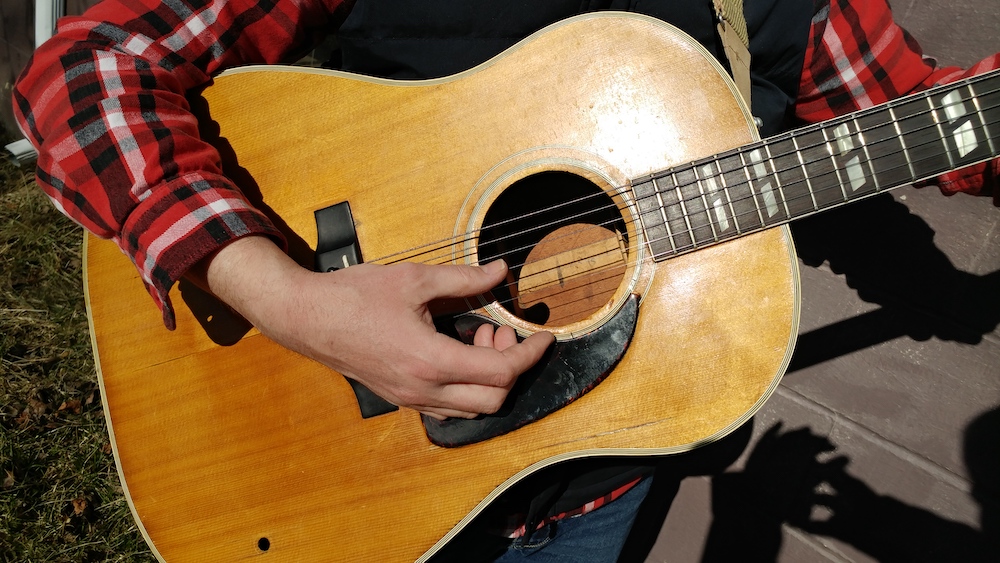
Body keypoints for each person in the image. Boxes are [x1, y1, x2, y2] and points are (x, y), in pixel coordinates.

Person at [11, 0, 998, 561]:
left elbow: (925, 119)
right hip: (335, 491)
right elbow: (87, 72)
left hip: (594, 490)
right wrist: (299, 304)